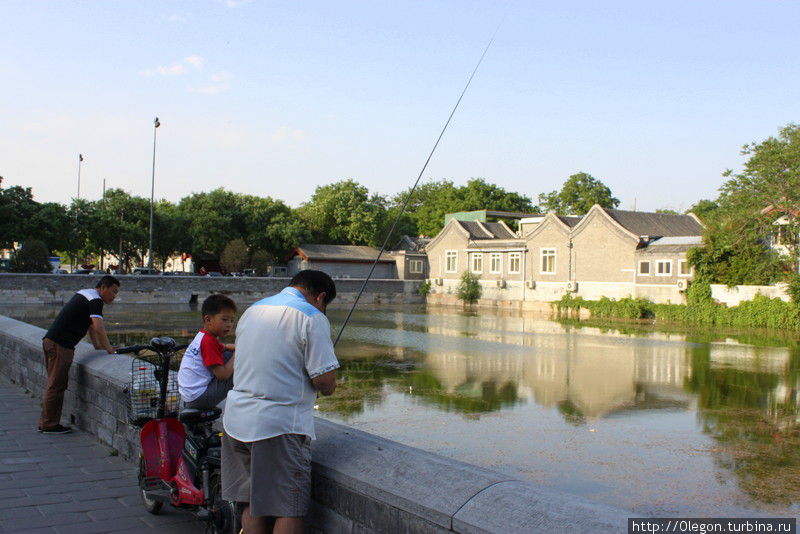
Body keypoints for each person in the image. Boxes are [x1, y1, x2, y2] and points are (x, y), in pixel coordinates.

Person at [222, 270, 339, 534]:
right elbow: (323, 380)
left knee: (253, 503)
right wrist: (330, 385)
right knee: (289, 508)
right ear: (320, 297)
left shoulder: (253, 311)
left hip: (236, 421)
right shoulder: (312, 316)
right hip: (278, 427)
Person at [39, 275, 120, 434]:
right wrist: (109, 348)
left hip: (51, 341)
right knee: (56, 386)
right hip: (60, 345)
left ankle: (48, 422)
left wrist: (97, 345)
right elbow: (98, 326)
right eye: (114, 291)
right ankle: (48, 424)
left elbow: (89, 324)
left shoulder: (86, 294)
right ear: (103, 287)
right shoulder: (95, 300)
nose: (114, 296)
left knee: (54, 385)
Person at [178, 294, 237, 410]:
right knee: (240, 364)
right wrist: (239, 354)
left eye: (231, 320)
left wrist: (238, 347)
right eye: (225, 320)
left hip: (189, 396)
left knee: (227, 354)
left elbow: (224, 347)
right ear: (208, 319)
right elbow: (223, 375)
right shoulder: (208, 342)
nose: (229, 325)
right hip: (199, 400)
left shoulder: (202, 336)